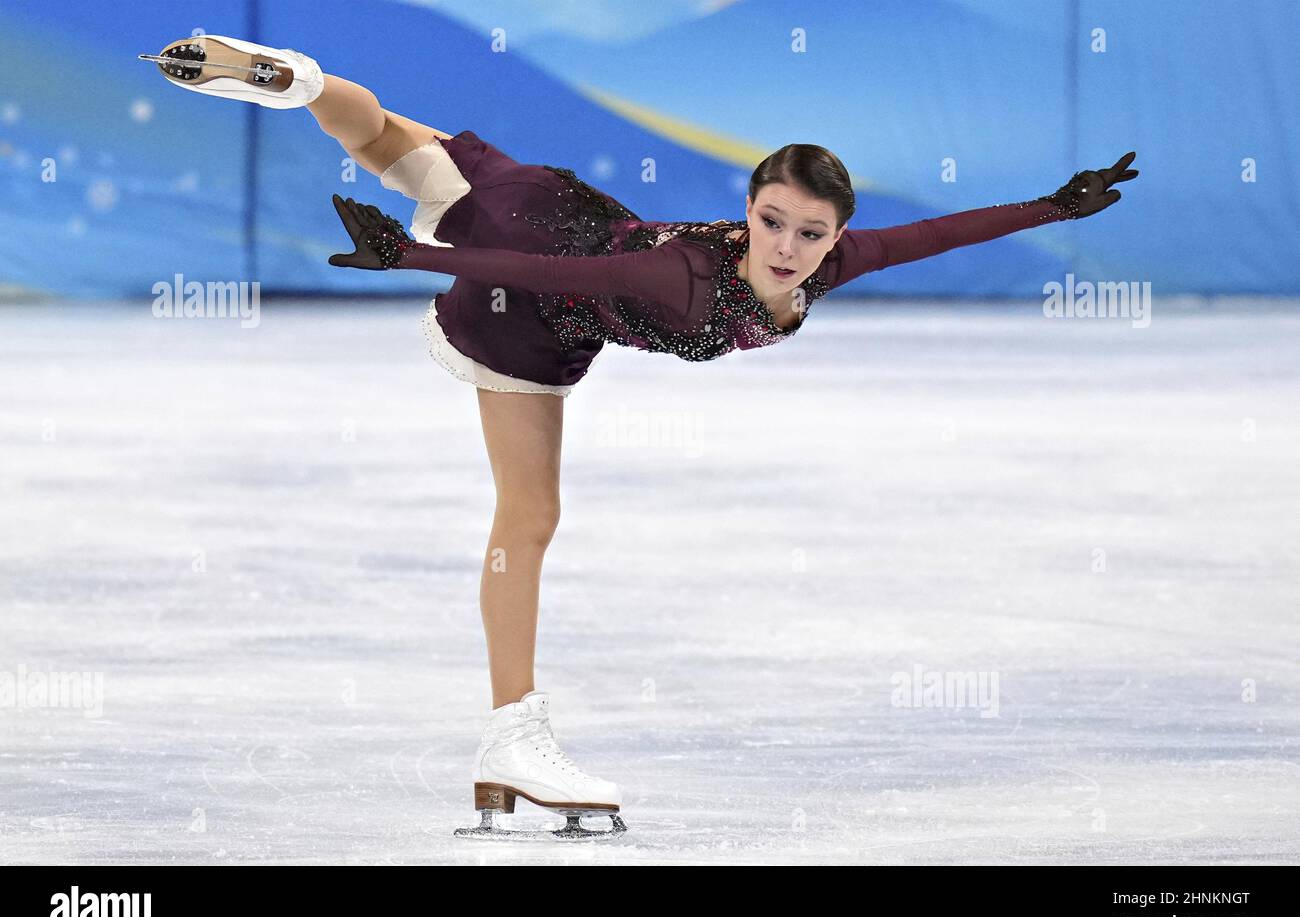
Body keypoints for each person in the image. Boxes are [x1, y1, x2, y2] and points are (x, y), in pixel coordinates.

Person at [145, 33, 1138, 841]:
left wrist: (1051, 206)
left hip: (547, 200)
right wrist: (414, 254)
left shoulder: (827, 265)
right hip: (524, 277)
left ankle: (299, 78)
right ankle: (512, 737)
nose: (787, 249)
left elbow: (930, 236)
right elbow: (552, 281)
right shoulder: (685, 281)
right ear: (747, 211)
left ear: (837, 236)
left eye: (810, 233)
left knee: (391, 140)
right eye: (771, 222)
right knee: (530, 512)